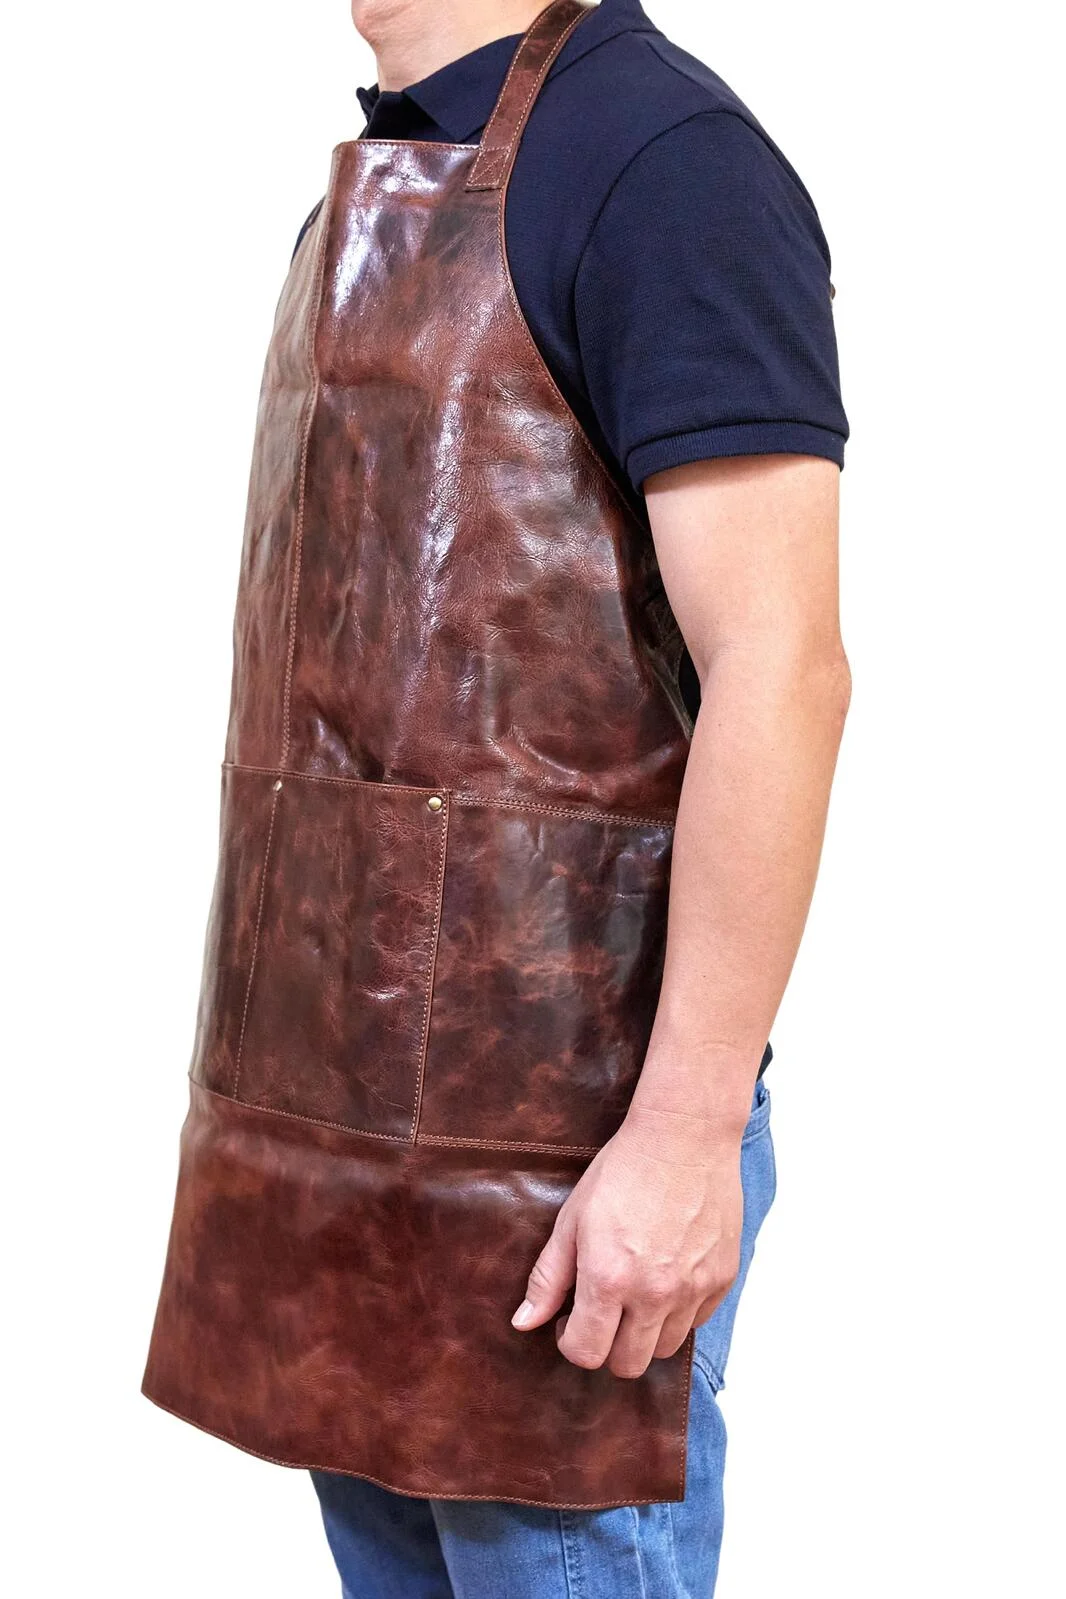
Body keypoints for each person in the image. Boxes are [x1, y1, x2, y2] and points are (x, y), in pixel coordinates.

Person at [142, 2, 850, 1595]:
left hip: (560, 1167)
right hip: (334, 1151)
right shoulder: (378, 177)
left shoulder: (662, 160)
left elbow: (782, 670)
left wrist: (683, 1136)